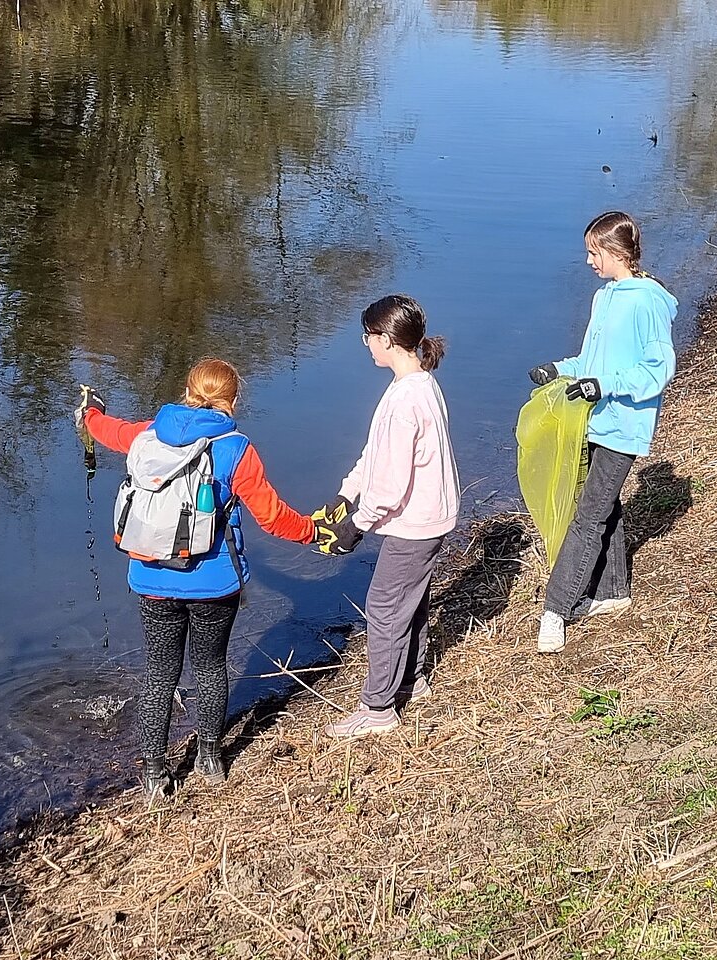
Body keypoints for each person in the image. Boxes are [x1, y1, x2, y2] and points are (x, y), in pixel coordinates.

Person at [78, 358, 320, 796]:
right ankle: (210, 758)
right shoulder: (235, 448)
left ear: (187, 391)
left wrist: (90, 413)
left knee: (159, 675)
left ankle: (154, 776)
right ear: (233, 399)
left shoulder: (149, 434)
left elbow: (109, 431)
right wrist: (313, 532)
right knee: (209, 668)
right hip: (215, 583)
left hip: (152, 579)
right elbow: (272, 518)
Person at [527, 211, 677, 654]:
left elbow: (658, 369)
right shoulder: (605, 296)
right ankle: (612, 592)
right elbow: (592, 363)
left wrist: (606, 385)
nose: (589, 261)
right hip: (594, 419)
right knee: (603, 505)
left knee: (587, 515)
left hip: (623, 426)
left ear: (617, 252)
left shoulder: (647, 301)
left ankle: (556, 609)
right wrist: (559, 369)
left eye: (594, 252)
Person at [319, 294, 460, 739]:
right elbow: (376, 452)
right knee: (410, 601)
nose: (365, 344)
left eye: (368, 336)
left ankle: (378, 708)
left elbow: (392, 484)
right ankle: (412, 681)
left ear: (386, 340)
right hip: (430, 516)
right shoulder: (417, 383)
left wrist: (356, 526)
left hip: (415, 524)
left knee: (384, 608)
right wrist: (347, 493)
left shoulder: (405, 401)